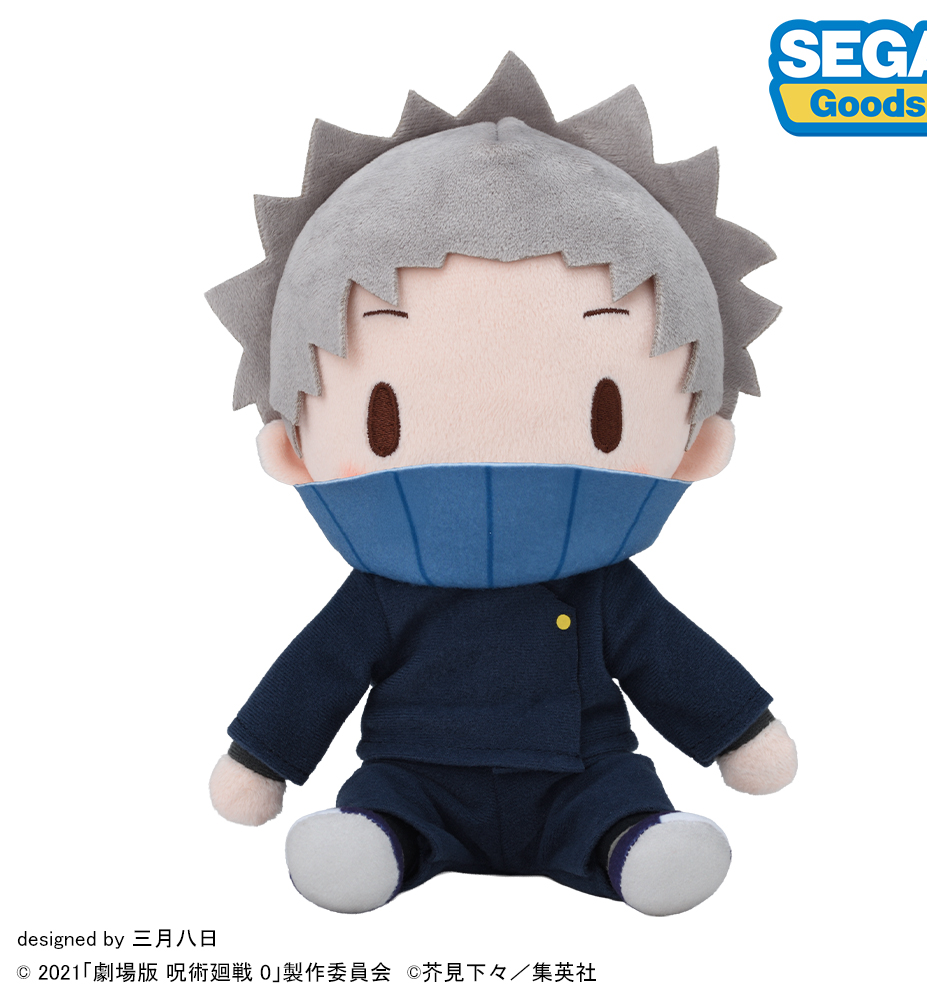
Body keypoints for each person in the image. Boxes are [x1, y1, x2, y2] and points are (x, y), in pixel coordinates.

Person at [206, 54, 797, 917]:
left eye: (605, 415)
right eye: (382, 420)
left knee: (619, 805)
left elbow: (674, 664)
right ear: (292, 450)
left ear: (695, 447)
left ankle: (628, 846)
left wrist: (739, 732)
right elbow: (317, 674)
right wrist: (261, 757)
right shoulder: (382, 597)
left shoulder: (604, 591)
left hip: (584, 775)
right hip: (416, 776)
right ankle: (381, 846)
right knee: (383, 810)